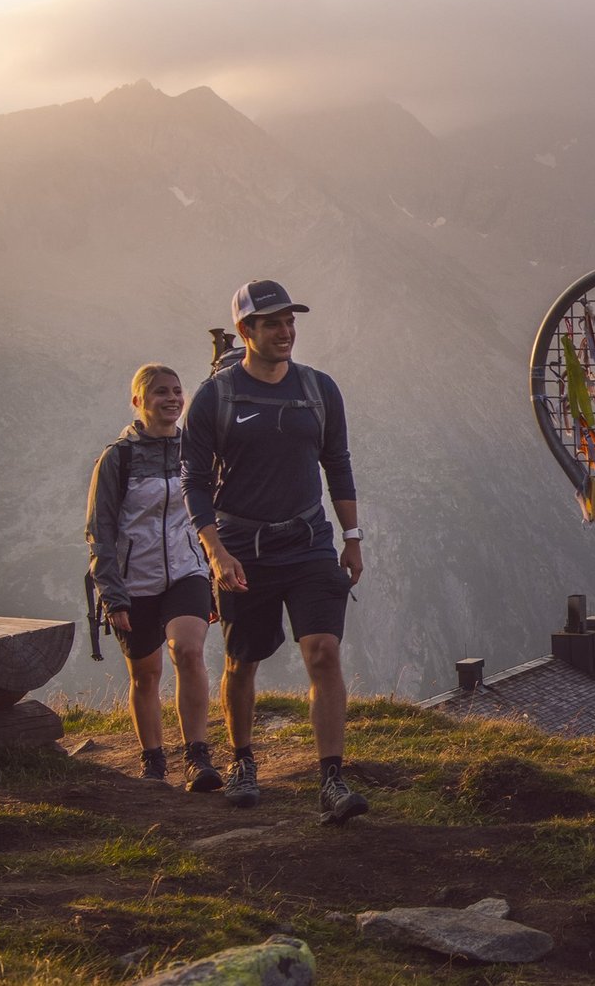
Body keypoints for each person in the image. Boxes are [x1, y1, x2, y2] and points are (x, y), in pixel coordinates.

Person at [181, 279, 368, 824]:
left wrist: (352, 537)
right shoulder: (215, 397)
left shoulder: (319, 389)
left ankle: (332, 780)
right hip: (242, 551)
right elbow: (193, 479)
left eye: (290, 321)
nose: (285, 331)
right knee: (242, 662)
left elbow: (338, 462)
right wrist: (215, 551)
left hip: (309, 543)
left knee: (323, 653)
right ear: (245, 331)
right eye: (271, 323)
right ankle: (243, 762)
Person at [85, 364, 223, 791]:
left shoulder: (196, 451)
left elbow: (212, 514)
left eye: (178, 391)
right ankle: (153, 761)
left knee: (188, 651)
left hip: (188, 571)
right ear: (138, 401)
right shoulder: (117, 458)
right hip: (134, 581)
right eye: (160, 391)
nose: (172, 399)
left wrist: (216, 573)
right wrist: (112, 595)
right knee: (145, 675)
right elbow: (99, 531)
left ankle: (197, 756)